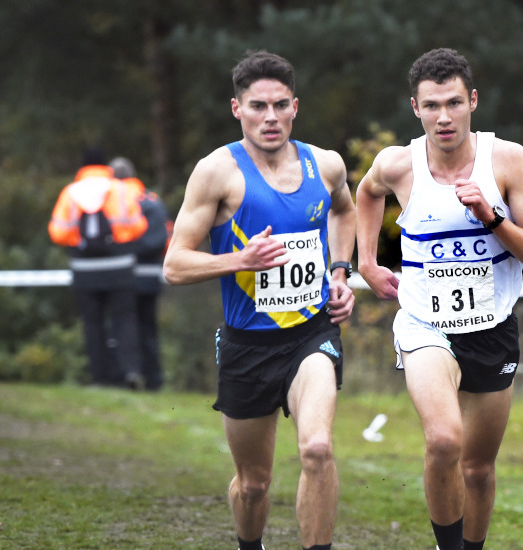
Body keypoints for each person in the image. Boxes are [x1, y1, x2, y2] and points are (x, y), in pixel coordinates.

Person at [355, 48, 523, 550]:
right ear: (414, 108)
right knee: (445, 440)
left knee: (479, 468)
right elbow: (366, 192)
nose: (442, 117)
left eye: (452, 103)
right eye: (430, 106)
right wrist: (365, 262)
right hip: (425, 324)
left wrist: (493, 217)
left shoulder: (507, 160)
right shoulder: (399, 164)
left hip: (492, 328)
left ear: (472, 101)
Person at [163, 50, 356, 550]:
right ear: (237, 109)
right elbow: (175, 264)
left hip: (312, 333)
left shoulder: (326, 165)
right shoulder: (216, 173)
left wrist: (341, 271)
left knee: (316, 449)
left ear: (296, 106)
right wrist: (238, 261)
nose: (270, 118)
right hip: (247, 344)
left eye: (279, 105)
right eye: (257, 107)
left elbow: (345, 211)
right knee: (253, 485)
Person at [48, 146, 148, 389]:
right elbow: (139, 226)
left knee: (92, 323)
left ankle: (100, 377)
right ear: (106, 166)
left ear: (82, 166)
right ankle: (130, 371)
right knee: (124, 320)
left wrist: (78, 240)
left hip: (84, 269)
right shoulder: (122, 190)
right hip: (119, 266)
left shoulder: (70, 192)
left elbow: (57, 232)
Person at [110, 156, 172, 391]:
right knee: (149, 329)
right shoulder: (154, 201)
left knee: (123, 328)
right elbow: (161, 238)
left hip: (125, 275)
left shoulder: (116, 202)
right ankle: (154, 380)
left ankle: (126, 375)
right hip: (152, 275)